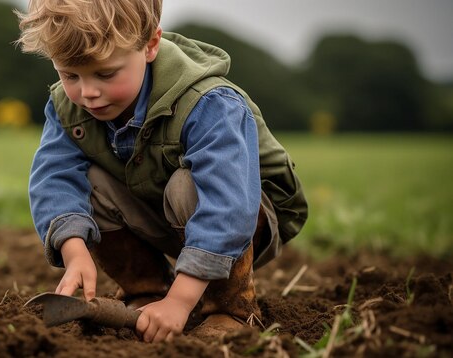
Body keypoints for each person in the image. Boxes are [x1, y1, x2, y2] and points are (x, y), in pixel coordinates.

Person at [16, 0, 307, 343]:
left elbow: (230, 205)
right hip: (156, 210)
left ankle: (230, 310)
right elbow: (54, 176)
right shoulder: (67, 108)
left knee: (187, 185)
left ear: (151, 45)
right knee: (88, 182)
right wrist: (73, 248)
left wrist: (182, 301)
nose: (89, 92)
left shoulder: (210, 103)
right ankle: (148, 292)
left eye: (106, 73)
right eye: (70, 75)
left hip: (245, 221)